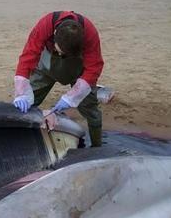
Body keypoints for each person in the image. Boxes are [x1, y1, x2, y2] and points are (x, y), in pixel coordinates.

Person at [12, 11, 104, 147]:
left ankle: (97, 145)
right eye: (60, 51)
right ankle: (17, 140)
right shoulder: (45, 24)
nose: (61, 54)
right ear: (54, 36)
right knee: (26, 105)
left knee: (91, 111)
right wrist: (21, 93)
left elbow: (94, 67)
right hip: (46, 66)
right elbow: (28, 55)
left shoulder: (90, 33)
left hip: (79, 70)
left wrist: (72, 97)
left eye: (64, 53)